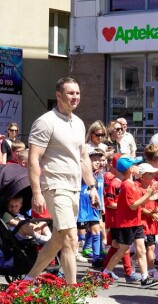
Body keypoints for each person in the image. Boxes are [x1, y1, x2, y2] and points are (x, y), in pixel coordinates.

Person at [25, 77, 100, 284]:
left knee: (58, 239)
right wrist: (37, 192)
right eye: (70, 93)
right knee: (70, 239)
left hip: (75, 187)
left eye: (77, 93)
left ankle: (27, 280)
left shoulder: (78, 123)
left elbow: (83, 157)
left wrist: (92, 186)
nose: (75, 97)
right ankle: (72, 291)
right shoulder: (45, 122)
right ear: (58, 95)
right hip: (55, 186)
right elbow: (33, 160)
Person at [101, 156, 158, 288]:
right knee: (122, 251)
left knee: (141, 250)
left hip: (136, 222)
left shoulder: (133, 184)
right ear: (130, 169)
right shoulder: (127, 185)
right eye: (135, 164)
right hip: (126, 224)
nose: (137, 166)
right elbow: (133, 206)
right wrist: (148, 195)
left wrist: (149, 195)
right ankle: (106, 273)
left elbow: (139, 201)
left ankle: (145, 278)